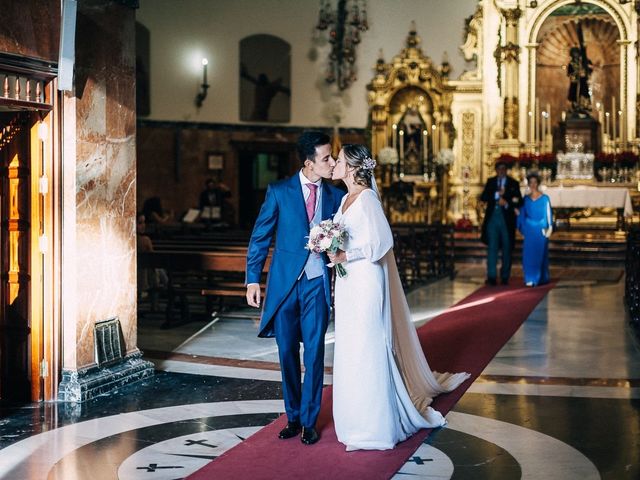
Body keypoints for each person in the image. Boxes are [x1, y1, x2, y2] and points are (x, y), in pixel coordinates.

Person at [327, 144, 470, 451]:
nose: (334, 164)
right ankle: (353, 419)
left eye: (338, 160)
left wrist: (345, 254)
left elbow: (382, 244)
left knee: (369, 346)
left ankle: (375, 424)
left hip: (366, 282)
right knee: (351, 347)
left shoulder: (367, 199)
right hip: (350, 284)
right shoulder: (344, 199)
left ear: (352, 168)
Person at [245, 131, 344, 445]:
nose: (331, 162)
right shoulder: (279, 192)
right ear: (309, 163)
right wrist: (252, 279)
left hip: (317, 284)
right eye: (326, 158)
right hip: (285, 286)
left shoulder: (336, 196)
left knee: (314, 355)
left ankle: (310, 421)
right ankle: (294, 416)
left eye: (332, 156)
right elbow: (260, 237)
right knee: (287, 353)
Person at [480, 161, 522, 285]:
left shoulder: (513, 183)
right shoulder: (491, 182)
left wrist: (508, 203)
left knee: (507, 247)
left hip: (506, 219)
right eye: (499, 169)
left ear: (506, 170)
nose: (501, 171)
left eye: (503, 168)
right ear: (496, 170)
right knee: (492, 248)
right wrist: (495, 195)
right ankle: (491, 276)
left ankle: (505, 276)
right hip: (493, 218)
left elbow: (519, 201)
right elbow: (483, 197)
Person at [517, 172, 552, 287]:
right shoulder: (525, 199)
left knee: (540, 254)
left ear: (538, 183)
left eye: (535, 182)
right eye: (530, 182)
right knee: (528, 255)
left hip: (541, 229)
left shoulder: (545, 198)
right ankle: (529, 278)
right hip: (529, 230)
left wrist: (549, 227)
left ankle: (540, 277)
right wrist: (521, 227)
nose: (533, 184)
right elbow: (522, 215)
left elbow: (548, 214)